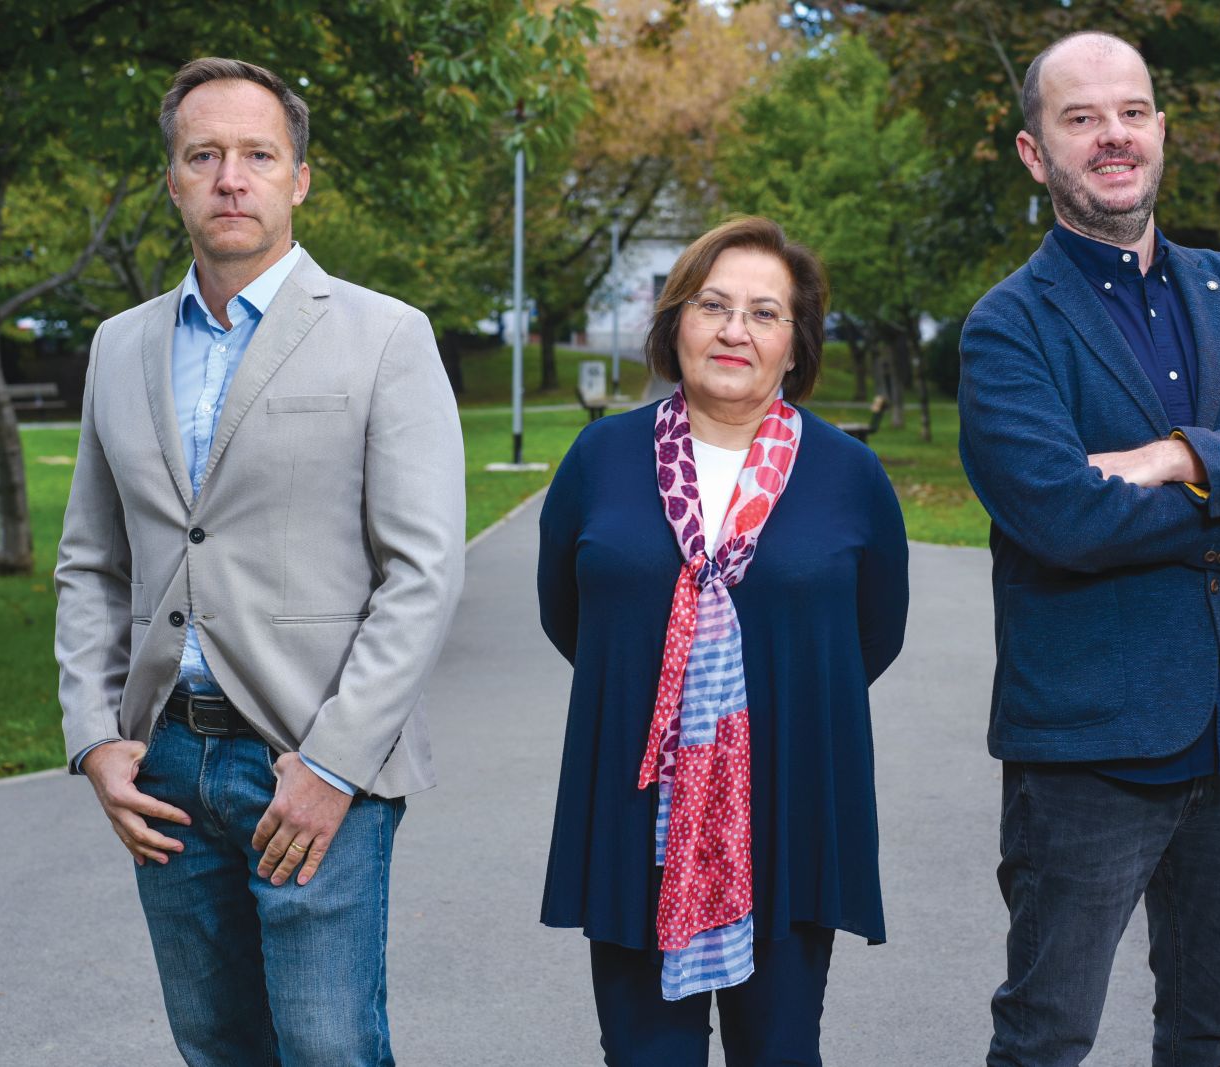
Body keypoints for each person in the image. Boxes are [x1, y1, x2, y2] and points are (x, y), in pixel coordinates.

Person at [958, 32, 1220, 1066]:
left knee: (1208, 1030)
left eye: (1132, 112)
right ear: (1032, 150)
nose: (1113, 136)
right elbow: (1063, 515)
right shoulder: (1007, 327)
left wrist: (1172, 455)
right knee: (1046, 1033)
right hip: (1089, 747)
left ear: (1158, 130)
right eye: (1081, 117)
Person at [54, 57, 464, 1066]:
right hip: (164, 764)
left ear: (299, 177)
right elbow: (90, 562)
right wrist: (94, 736)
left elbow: (420, 571)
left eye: (256, 154)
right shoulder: (119, 345)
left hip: (311, 756)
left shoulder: (386, 336)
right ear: (174, 179)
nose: (230, 176)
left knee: (329, 1046)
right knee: (215, 1043)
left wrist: (334, 764)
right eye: (204, 155)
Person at [537, 216, 909, 1066]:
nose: (735, 329)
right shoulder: (602, 456)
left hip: (788, 803)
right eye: (713, 304)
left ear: (795, 343)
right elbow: (570, 615)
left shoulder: (849, 473)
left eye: (765, 312)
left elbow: (872, 636)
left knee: (780, 1053)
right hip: (639, 815)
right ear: (677, 323)